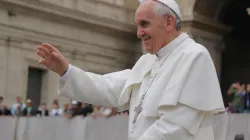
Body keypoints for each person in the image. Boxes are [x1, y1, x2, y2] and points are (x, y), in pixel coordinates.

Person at [36, 0, 225, 139]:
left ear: (168, 22)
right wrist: (66, 71)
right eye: (138, 25)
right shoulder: (146, 62)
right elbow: (107, 87)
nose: (138, 33)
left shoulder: (194, 56)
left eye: (144, 24)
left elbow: (176, 127)